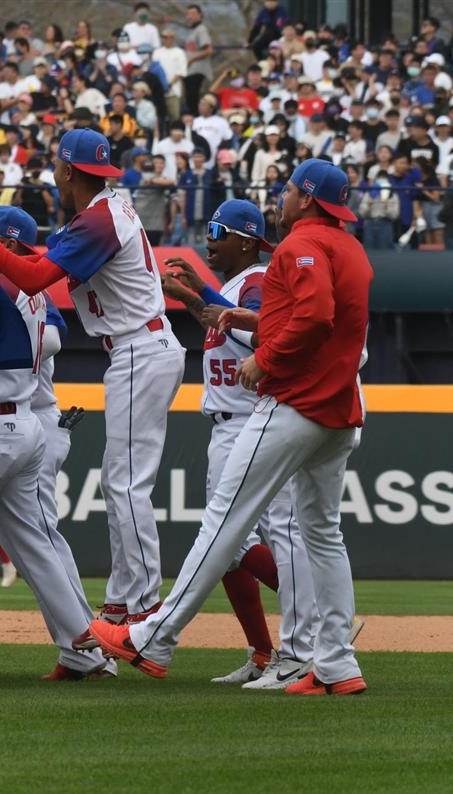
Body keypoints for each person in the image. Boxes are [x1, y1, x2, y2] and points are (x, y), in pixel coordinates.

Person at [90, 159, 371, 697]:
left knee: (224, 521)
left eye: (288, 190)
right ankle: (336, 664)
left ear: (307, 199)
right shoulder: (352, 249)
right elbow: (322, 321)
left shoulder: (301, 244)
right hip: (339, 409)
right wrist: (247, 319)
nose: (282, 198)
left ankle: (152, 638)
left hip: (296, 402)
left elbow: (314, 318)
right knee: (322, 534)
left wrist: (267, 358)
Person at [0, 128, 185, 642]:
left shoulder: (98, 219)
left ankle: (142, 605)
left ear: (69, 170)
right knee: (120, 479)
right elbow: (32, 266)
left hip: (139, 345)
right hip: (137, 346)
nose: (53, 173)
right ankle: (123, 599)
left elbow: (31, 278)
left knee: (126, 482)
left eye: (56, 164)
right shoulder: (101, 212)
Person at [0, 204, 114, 683]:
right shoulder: (29, 290)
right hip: (25, 426)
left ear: (4, 244)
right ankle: (86, 650)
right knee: (37, 548)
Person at [161, 199, 324, 689]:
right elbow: (225, 325)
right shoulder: (235, 286)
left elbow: (261, 336)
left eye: (219, 232)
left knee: (247, 539)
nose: (209, 240)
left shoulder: (257, 281)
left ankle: (321, 624)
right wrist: (196, 295)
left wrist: (196, 294)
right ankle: (264, 650)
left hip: (251, 421)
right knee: (231, 546)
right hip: (229, 424)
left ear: (247, 241)